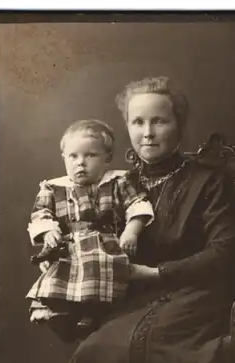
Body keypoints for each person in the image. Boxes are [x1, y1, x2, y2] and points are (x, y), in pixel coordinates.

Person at [64, 76, 235, 363]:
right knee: (91, 355)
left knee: (137, 355)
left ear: (179, 124)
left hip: (196, 294)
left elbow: (225, 252)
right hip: (132, 295)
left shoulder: (209, 182)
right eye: (137, 122)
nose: (147, 132)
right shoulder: (115, 184)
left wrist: (159, 273)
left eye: (159, 121)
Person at [26, 119, 154, 343]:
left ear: (106, 159)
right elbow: (40, 214)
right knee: (58, 271)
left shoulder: (117, 182)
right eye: (73, 156)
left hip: (103, 243)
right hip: (69, 245)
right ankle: (60, 314)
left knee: (100, 265)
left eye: (90, 156)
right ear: (64, 158)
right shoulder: (54, 188)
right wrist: (48, 233)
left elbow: (137, 204)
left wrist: (131, 231)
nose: (80, 163)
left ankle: (92, 314)